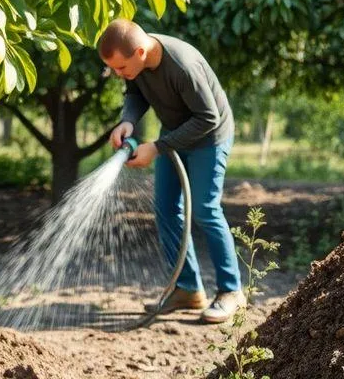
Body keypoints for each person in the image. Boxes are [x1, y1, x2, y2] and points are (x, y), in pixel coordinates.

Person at [98, 18, 244, 324]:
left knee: (204, 209)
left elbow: (208, 119)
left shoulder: (182, 66)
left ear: (139, 52)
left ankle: (232, 292)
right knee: (165, 208)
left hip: (209, 138)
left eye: (121, 68)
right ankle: (188, 290)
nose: (118, 74)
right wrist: (128, 120)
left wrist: (157, 147)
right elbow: (135, 93)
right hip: (173, 135)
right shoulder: (135, 62)